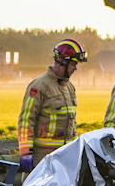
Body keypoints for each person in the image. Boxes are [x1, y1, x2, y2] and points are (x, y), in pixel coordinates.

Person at [17, 39, 86, 174]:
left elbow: (72, 123)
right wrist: (26, 153)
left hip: (66, 156)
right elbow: (26, 121)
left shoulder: (69, 88)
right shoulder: (39, 87)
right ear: (62, 62)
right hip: (43, 157)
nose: (75, 68)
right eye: (73, 64)